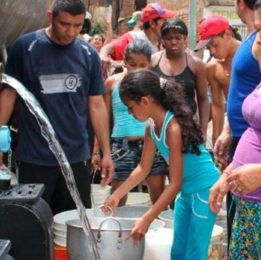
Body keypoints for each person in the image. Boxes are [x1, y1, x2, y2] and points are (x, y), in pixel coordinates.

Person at [0, 0, 114, 214]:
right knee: (33, 223)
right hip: (34, 157)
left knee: (75, 224)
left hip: (76, 157)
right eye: (64, 24)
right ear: (50, 16)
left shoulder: (88, 54)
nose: (71, 31)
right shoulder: (25, 48)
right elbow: (9, 94)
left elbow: (97, 104)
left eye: (78, 26)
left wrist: (106, 152)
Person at [104, 69, 220, 260]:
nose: (130, 113)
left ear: (146, 101)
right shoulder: (151, 127)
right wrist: (117, 194)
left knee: (194, 259)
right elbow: (142, 168)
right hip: (185, 193)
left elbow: (173, 184)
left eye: (130, 108)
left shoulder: (173, 128)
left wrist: (147, 218)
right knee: (178, 255)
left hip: (204, 192)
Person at [210, 2, 261, 260]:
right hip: (251, 206)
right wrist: (229, 174)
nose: (255, 37)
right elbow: (258, 132)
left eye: (259, 29)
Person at [95, 39, 167, 205]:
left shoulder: (157, 85)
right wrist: (97, 151)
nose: (137, 69)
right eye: (132, 64)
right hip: (122, 146)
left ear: (149, 64)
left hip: (153, 144)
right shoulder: (112, 83)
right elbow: (103, 118)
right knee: (118, 196)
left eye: (142, 65)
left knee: (158, 197)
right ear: (124, 62)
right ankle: (116, 229)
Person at [151, 18, 209, 136]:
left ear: (185, 40)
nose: (173, 42)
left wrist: (203, 129)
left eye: (178, 38)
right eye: (169, 38)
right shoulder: (152, 62)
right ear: (162, 40)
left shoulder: (196, 64)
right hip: (159, 127)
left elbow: (203, 98)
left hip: (187, 127)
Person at [194, 15, 241, 147]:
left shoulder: (252, 55)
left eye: (214, 45)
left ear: (227, 34)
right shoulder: (212, 67)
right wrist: (216, 136)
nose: (212, 51)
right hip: (233, 129)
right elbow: (218, 105)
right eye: (208, 48)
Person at [100, 3, 175, 64]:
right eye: (164, 21)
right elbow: (109, 47)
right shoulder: (133, 38)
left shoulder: (163, 43)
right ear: (152, 23)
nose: (167, 24)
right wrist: (103, 56)